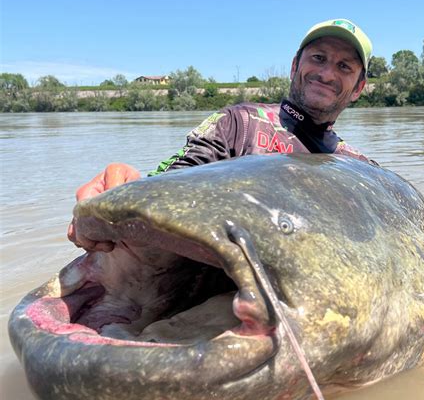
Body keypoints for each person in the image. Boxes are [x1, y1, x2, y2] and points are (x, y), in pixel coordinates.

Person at [69, 18, 373, 251]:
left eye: (344, 66)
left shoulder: (362, 170)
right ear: (295, 66)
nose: (328, 73)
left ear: (359, 87)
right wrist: (124, 190)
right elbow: (172, 183)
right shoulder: (237, 124)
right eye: (318, 58)